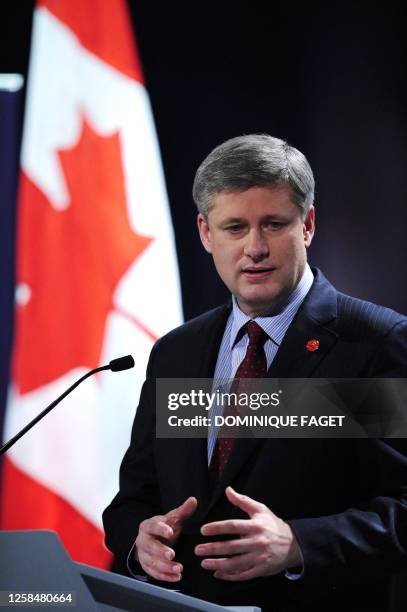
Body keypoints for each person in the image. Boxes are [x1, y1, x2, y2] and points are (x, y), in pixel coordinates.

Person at [103, 134, 407, 612]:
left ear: (306, 225)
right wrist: (139, 545)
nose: (256, 248)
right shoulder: (177, 353)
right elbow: (134, 500)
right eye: (235, 227)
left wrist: (298, 543)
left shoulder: (372, 343)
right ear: (205, 233)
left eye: (274, 224)